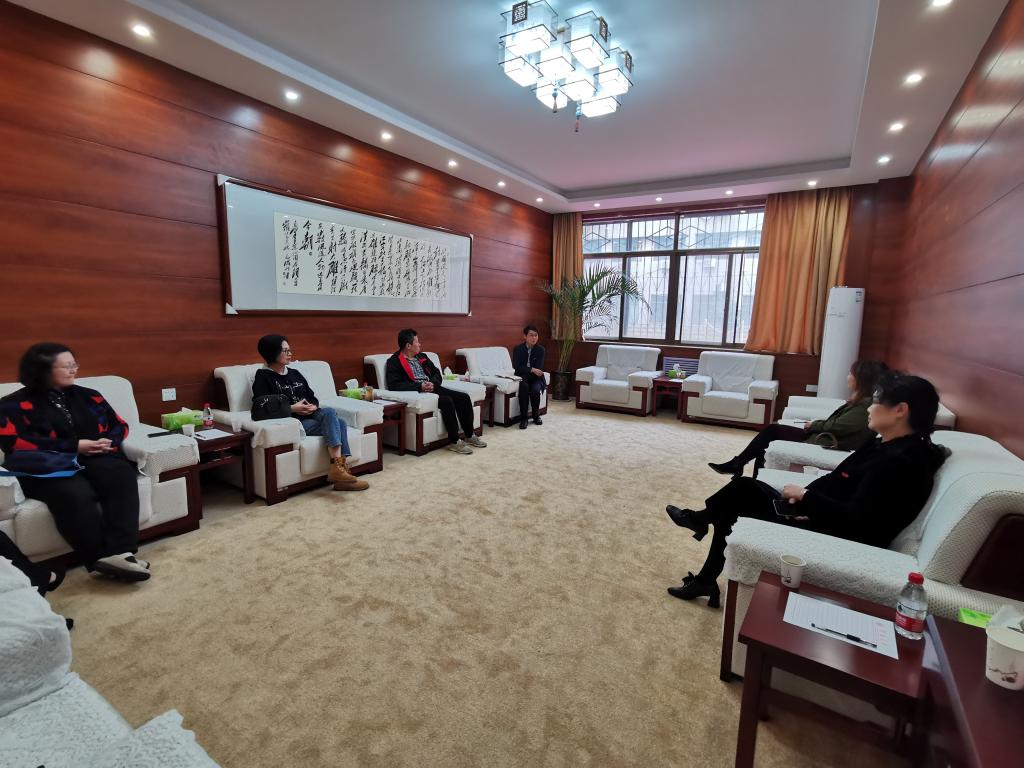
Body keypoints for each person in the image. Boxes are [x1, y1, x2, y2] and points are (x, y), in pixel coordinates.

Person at [664, 372, 949, 608]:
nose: (869, 408)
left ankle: (701, 532)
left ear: (900, 410)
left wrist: (807, 498)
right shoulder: (886, 445)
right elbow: (843, 482)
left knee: (738, 497)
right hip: (813, 512)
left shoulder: (899, 463)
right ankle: (704, 561)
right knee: (742, 490)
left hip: (825, 533)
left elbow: (858, 522)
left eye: (876, 402)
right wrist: (804, 496)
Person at [0, 343, 150, 582]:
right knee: (75, 493)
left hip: (92, 457)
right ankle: (98, 558)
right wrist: (75, 446)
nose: (74, 370)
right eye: (66, 366)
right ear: (42, 370)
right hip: (44, 467)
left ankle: (122, 553)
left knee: (120, 474)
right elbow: (15, 443)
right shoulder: (12, 404)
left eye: (74, 364)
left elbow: (118, 425)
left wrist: (108, 442)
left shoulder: (89, 395)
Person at [708, 360, 889, 477]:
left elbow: (839, 426)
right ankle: (742, 468)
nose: (847, 377)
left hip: (824, 441)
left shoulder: (864, 405)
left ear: (861, 379)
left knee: (771, 434)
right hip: (823, 436)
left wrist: (814, 425)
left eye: (851, 374)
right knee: (771, 434)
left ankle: (739, 466)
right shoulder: (862, 401)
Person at [252, 335, 368, 491]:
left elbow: (312, 396)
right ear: (272, 353)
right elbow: (261, 407)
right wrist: (292, 408)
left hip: (312, 415)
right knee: (339, 423)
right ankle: (340, 473)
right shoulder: (263, 378)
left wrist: (313, 405)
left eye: (290, 350)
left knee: (331, 414)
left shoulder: (295, 373)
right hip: (296, 422)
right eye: (285, 351)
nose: (290, 354)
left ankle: (339, 471)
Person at [384, 329, 486, 454]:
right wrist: (419, 386)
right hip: (419, 392)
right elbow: (394, 385)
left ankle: (469, 435)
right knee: (447, 401)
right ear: (408, 345)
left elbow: (437, 373)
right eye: (417, 342)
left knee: (463, 397)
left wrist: (433, 383)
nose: (420, 344)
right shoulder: (394, 361)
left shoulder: (422, 357)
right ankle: (454, 442)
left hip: (434, 388)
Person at [512, 325, 546, 430]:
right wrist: (532, 369)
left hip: (536, 379)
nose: (534, 338)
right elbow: (516, 368)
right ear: (525, 336)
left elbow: (539, 369)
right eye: (531, 335)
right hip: (523, 378)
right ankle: (524, 418)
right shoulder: (517, 349)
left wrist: (528, 370)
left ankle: (536, 416)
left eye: (536, 335)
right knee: (524, 387)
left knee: (535, 390)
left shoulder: (541, 350)